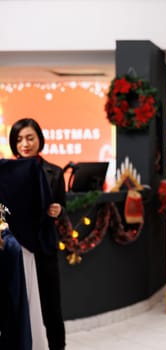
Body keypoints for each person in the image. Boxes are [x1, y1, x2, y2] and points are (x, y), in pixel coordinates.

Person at [9, 118, 66, 350]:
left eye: (30, 138)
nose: (25, 143)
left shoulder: (54, 172)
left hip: (44, 246)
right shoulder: (6, 173)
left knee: (51, 304)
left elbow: (61, 205)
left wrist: (58, 209)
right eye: (19, 139)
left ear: (39, 140)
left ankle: (57, 346)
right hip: (15, 248)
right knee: (15, 304)